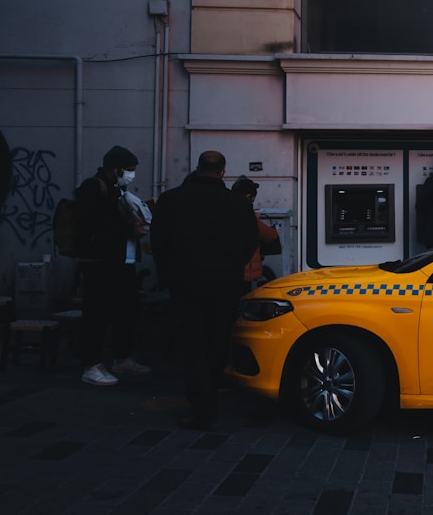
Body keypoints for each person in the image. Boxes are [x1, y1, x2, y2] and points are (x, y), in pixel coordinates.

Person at [151, 151, 258, 431]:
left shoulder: (172, 200)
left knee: (192, 345)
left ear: (198, 168)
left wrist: (169, 273)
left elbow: (158, 242)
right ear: (223, 171)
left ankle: (201, 406)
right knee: (217, 342)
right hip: (225, 284)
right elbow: (249, 243)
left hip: (185, 283)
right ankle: (213, 395)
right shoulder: (238, 204)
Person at [76, 145, 152, 386]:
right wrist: (129, 228)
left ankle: (122, 358)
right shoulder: (93, 186)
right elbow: (91, 222)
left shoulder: (119, 189)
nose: (131, 174)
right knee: (96, 313)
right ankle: (91, 365)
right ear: (116, 168)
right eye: (129, 170)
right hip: (101, 262)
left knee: (126, 310)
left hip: (123, 260)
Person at [231, 176, 281, 291]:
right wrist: (255, 219)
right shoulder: (247, 215)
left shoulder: (225, 209)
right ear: (249, 197)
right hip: (244, 271)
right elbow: (271, 236)